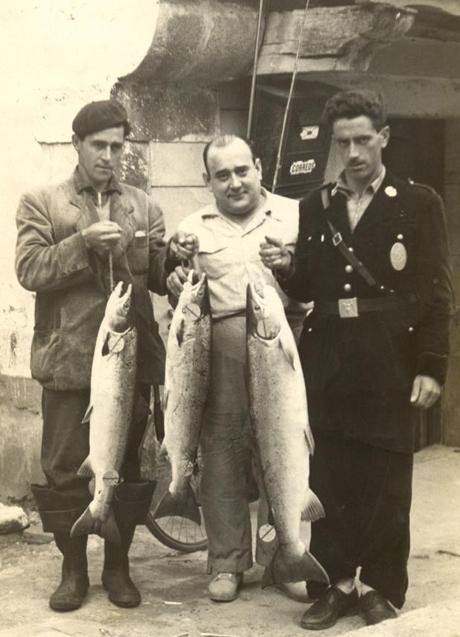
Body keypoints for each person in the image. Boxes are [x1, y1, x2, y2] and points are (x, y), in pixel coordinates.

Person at [268, 89, 453, 629]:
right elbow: (310, 286)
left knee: (387, 476)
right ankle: (335, 583)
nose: (352, 153)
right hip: (326, 357)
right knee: (329, 475)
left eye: (363, 140)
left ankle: (379, 586)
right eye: (343, 141)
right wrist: (286, 266)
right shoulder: (315, 204)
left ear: (384, 138)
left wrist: (431, 365)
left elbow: (438, 292)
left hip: (390, 358)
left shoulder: (418, 203)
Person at [15, 99, 179, 612]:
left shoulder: (143, 206)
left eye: (117, 145)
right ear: (77, 145)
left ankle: (118, 566)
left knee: (124, 464)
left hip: (128, 359)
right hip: (67, 359)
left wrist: (175, 265)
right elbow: (30, 270)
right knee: (65, 467)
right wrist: (81, 244)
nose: (109, 155)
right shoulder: (43, 201)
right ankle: (72, 569)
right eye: (99, 145)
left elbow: (156, 272)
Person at [166, 134, 304, 603]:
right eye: (221, 175)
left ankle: (284, 558)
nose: (234, 182)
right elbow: (179, 288)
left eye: (242, 170)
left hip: (284, 339)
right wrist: (175, 270)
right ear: (207, 182)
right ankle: (227, 562)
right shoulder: (191, 227)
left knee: (283, 448)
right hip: (218, 342)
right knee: (221, 451)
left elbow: (311, 279)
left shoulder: (293, 214)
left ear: (260, 168)